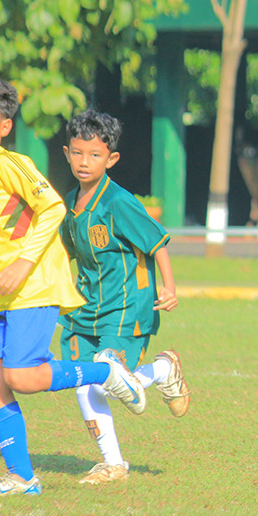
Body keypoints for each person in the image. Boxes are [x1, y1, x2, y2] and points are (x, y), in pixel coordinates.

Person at [0, 78, 146, 496]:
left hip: (33, 287)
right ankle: (23, 478)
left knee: (22, 378)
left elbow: (53, 207)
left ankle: (106, 371)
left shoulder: (9, 163)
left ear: (5, 126)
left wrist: (24, 263)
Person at [59, 110, 190, 485]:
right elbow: (65, 252)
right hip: (84, 308)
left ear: (111, 159)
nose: (85, 162)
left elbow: (157, 241)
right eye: (78, 153)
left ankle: (163, 370)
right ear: (67, 153)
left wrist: (169, 286)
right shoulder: (70, 203)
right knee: (85, 382)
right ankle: (113, 464)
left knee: (107, 382)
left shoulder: (119, 202)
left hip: (125, 307)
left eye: (95, 155)